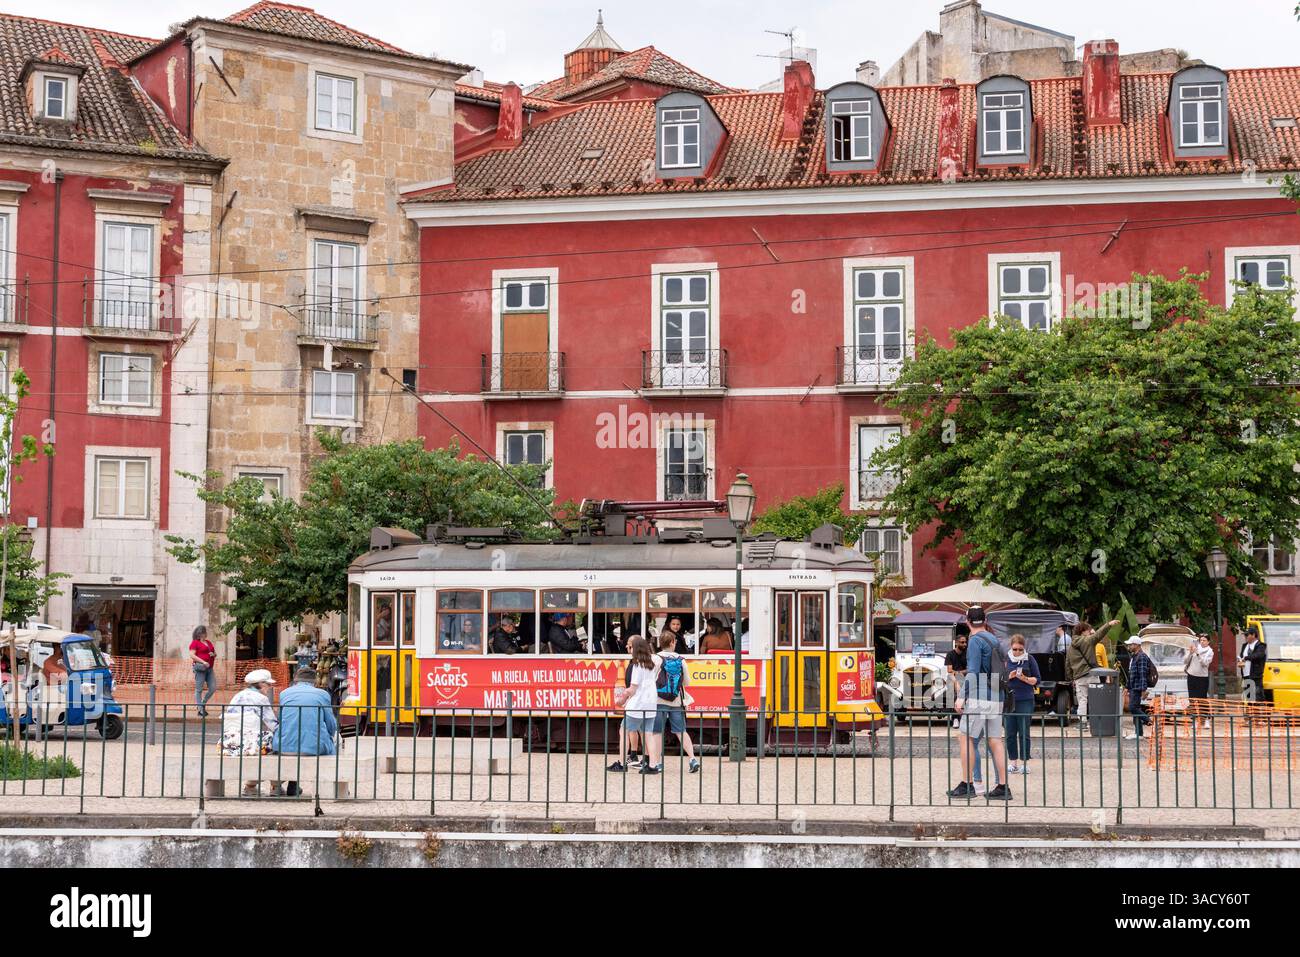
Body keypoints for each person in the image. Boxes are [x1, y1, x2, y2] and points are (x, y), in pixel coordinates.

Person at [947, 606, 1010, 800]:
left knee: (965, 738)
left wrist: (961, 696)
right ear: (985, 620)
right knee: (995, 740)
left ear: (967, 621)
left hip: (979, 696)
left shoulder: (974, 641)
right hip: (997, 696)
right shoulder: (994, 639)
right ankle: (1002, 787)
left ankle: (968, 784)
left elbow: (973, 672)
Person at [272, 666, 338, 796]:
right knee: (336, 741)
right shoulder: (322, 694)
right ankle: (334, 783)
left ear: (295, 680)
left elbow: (280, 718)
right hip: (313, 747)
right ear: (314, 681)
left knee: (295, 737)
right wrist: (330, 736)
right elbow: (331, 724)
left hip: (283, 746)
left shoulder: (284, 693)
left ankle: (293, 784)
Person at [645, 630, 700, 774]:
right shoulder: (681, 660)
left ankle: (657, 763)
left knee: (657, 732)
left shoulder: (655, 658)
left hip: (658, 700)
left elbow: (649, 679)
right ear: (672, 643)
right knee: (681, 731)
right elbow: (686, 682)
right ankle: (693, 759)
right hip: (676, 701)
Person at [222, 669, 278, 796]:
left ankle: (251, 786)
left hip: (230, 742)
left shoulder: (237, 695)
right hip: (250, 744)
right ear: (262, 684)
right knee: (276, 745)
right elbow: (272, 724)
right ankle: (276, 785)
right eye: (269, 685)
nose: (270, 687)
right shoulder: (261, 698)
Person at [609, 636, 657, 772]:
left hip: (637, 705)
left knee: (624, 731)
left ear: (635, 648)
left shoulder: (637, 665)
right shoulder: (650, 664)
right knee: (648, 734)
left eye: (629, 646)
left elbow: (633, 688)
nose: (627, 648)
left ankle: (622, 763)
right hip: (651, 704)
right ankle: (652, 765)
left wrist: (622, 699)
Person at [1004, 634, 1040, 774]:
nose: (1017, 652)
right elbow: (998, 680)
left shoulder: (1029, 659)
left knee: (1024, 731)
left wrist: (1024, 678)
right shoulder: (1005, 660)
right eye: (1015, 649)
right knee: (1010, 732)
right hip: (1009, 699)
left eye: (1020, 649)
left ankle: (1025, 762)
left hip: (1025, 698)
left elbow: (1037, 679)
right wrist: (1009, 676)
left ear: (1024, 648)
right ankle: (1013, 762)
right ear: (1010, 648)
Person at [1123, 636, 1155, 740]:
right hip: (1133, 687)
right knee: (1135, 709)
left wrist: (1143, 690)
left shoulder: (1141, 657)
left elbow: (1142, 674)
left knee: (1133, 708)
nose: (1129, 646)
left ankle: (1149, 721)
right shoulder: (1134, 656)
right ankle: (1139, 733)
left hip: (1137, 687)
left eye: (1130, 644)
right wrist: (1127, 687)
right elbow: (1131, 674)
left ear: (1136, 645)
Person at [1184, 634, 1214, 731]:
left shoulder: (1210, 651)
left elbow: (1205, 663)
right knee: (1192, 699)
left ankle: (1205, 720)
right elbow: (1185, 661)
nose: (1202, 642)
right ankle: (1195, 720)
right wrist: (1190, 653)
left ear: (1208, 642)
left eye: (1204, 640)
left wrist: (1197, 654)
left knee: (1202, 699)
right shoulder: (1195, 648)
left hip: (1202, 677)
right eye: (1201, 640)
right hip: (1191, 675)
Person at [190, 625, 217, 717]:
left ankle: (202, 703)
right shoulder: (195, 643)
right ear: (199, 634)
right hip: (200, 668)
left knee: (213, 688)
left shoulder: (208, 642)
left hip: (209, 668)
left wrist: (213, 654)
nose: (205, 634)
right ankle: (200, 709)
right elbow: (192, 655)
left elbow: (214, 653)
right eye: (203, 632)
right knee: (199, 689)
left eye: (205, 632)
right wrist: (203, 662)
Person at [1239, 626, 1268, 703]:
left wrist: (1246, 658)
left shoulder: (1260, 645)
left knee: (1257, 697)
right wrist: (1240, 660)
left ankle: (1257, 714)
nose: (1245, 637)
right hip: (1246, 674)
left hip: (1255, 675)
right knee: (1249, 697)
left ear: (1253, 635)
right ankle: (1249, 713)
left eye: (1247, 635)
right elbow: (1242, 656)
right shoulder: (1244, 646)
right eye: (1245, 635)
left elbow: (1258, 655)